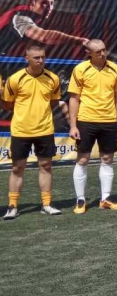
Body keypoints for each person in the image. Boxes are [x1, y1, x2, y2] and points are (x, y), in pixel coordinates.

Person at [2, 43, 63, 219]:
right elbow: (7, 104)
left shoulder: (53, 78)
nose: (40, 60)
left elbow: (53, 102)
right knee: (17, 167)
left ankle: (46, 204)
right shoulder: (15, 79)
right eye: (36, 57)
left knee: (46, 166)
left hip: (45, 129)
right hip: (21, 130)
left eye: (43, 57)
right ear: (26, 58)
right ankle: (12, 206)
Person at [68, 38, 117, 213]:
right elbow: (74, 98)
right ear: (89, 53)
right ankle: (80, 200)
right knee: (83, 159)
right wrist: (73, 125)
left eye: (104, 49)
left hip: (109, 121)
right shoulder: (80, 69)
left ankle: (105, 199)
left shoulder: (116, 69)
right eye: (98, 51)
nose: (102, 53)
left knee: (107, 159)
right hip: (86, 121)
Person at [0, 0, 88, 56]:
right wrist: (80, 40)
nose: (49, 7)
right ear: (32, 1)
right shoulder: (20, 17)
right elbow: (44, 37)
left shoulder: (34, 16)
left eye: (52, 3)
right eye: (44, 3)